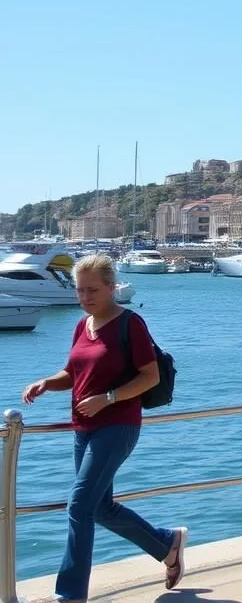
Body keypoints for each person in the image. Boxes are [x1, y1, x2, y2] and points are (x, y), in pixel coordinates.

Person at [20, 255, 186, 603]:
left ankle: (70, 595)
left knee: (79, 505)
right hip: (84, 427)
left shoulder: (131, 324)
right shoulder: (83, 326)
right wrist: (46, 384)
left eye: (92, 290)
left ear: (112, 287)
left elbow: (150, 376)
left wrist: (107, 398)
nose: (85, 297)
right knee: (99, 507)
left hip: (118, 425)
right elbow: (73, 373)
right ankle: (166, 544)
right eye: (80, 290)